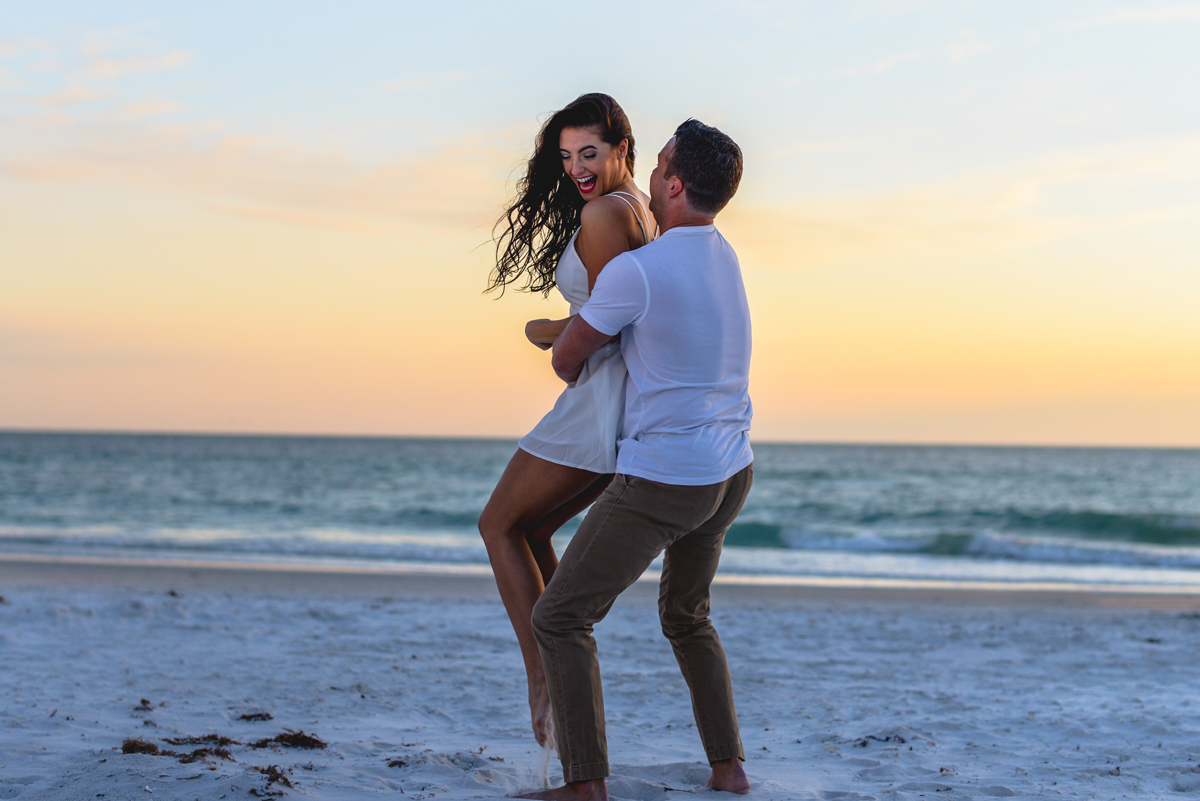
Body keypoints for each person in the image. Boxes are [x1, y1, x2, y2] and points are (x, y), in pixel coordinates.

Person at [516, 119, 754, 801]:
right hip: (731, 469)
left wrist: (556, 331)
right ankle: (728, 767)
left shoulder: (636, 271)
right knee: (686, 614)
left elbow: (568, 361)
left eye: (660, 166)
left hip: (665, 478)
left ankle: (584, 783)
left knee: (559, 617)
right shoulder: (725, 252)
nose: (650, 174)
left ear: (674, 185)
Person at [478, 93, 655, 747]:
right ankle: (563, 654)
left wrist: (543, 327)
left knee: (497, 523)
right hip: (620, 403)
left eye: (589, 153)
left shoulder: (607, 213)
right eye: (566, 156)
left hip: (598, 400)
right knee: (533, 528)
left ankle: (542, 673)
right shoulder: (641, 208)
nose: (577, 168)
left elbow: (605, 325)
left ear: (621, 149)